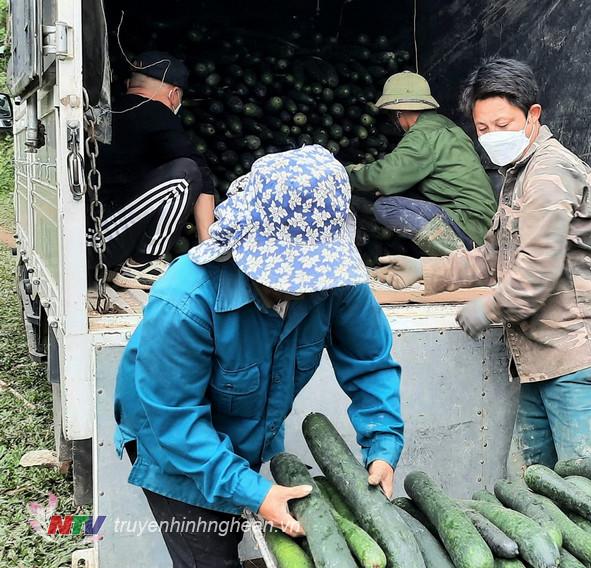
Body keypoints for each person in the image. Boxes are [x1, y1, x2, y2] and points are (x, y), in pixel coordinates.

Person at [113, 145, 403, 567]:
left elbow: (370, 362)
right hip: (172, 441)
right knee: (209, 556)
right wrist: (255, 491)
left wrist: (383, 444)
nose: (305, 286)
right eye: (291, 274)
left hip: (243, 427)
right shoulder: (185, 301)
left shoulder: (336, 282)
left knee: (232, 525)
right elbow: (176, 421)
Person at [373, 58, 591, 474]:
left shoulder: (549, 173)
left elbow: (537, 271)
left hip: (580, 359)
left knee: (590, 492)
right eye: (483, 128)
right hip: (541, 360)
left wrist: (489, 308)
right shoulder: (518, 174)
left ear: (533, 115)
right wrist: (426, 270)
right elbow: (492, 255)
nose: (492, 135)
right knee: (528, 487)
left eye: (502, 123)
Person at [94, 51, 216, 290]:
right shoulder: (156, 114)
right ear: (174, 94)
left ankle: (122, 264)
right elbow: (202, 177)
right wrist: (207, 248)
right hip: (102, 239)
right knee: (187, 173)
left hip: (91, 235)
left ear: (130, 84)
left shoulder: (109, 111)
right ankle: (141, 263)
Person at [347, 71, 497, 256]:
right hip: (484, 224)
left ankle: (461, 259)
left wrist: (345, 174)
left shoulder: (423, 135)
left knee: (385, 207)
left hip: (469, 224)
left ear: (399, 114)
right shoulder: (444, 125)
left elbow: (384, 177)